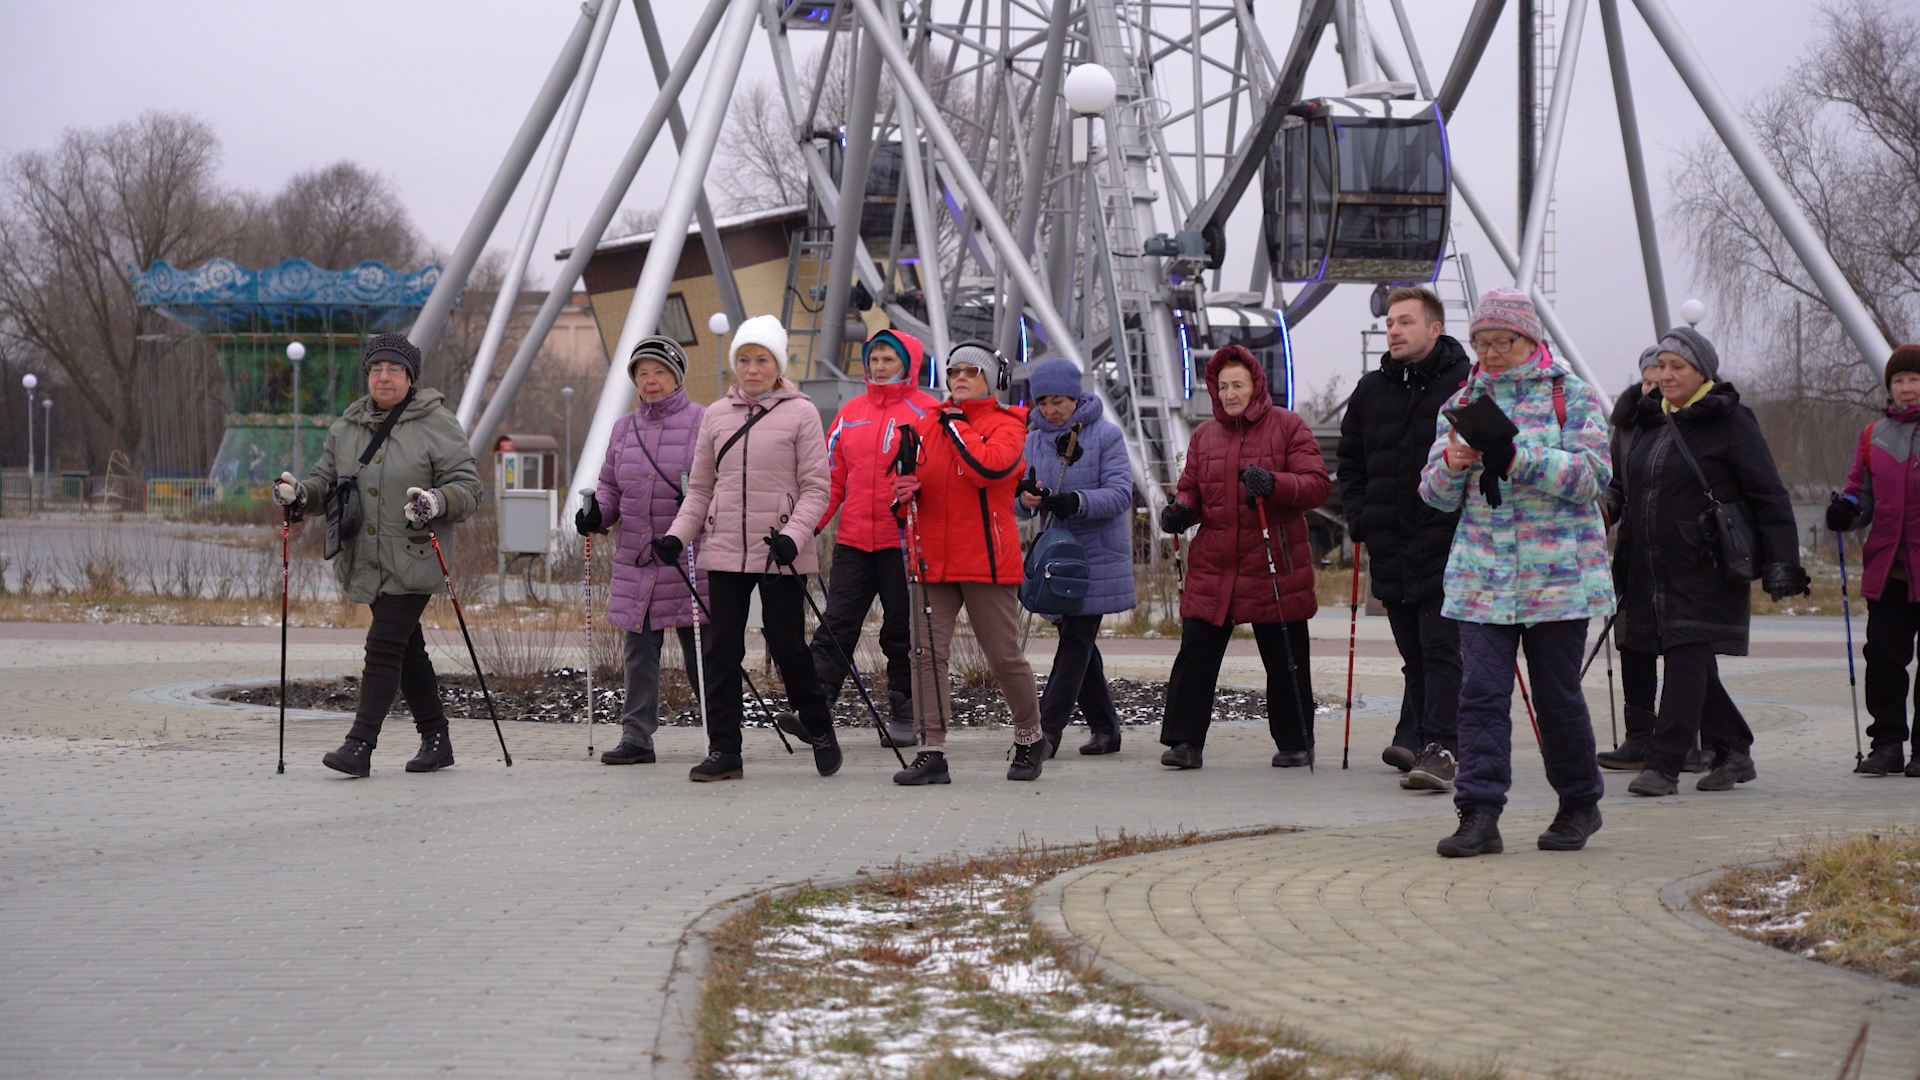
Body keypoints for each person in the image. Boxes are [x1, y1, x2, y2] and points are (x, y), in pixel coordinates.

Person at [1417, 289, 1613, 856]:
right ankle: (1478, 814)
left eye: (1502, 341)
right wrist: (1451, 466)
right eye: (1482, 342)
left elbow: (1592, 477)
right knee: (1479, 694)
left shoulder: (1570, 396)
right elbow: (1432, 496)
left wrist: (1517, 457)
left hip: (1558, 579)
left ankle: (1579, 803)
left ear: (1530, 339)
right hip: (1482, 577)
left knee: (1556, 697)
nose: (1492, 352)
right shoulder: (1462, 401)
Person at [272, 334, 482, 777]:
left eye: (394, 370)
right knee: (407, 649)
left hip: (413, 554)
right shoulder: (345, 428)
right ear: (367, 375)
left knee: (384, 645)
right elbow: (325, 483)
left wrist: (437, 502)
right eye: (376, 369)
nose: (384, 377)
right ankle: (437, 738)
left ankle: (360, 744)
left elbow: (468, 486)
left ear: (410, 378)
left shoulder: (437, 423)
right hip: (364, 557)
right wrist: (299, 495)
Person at [1611, 326, 1808, 797]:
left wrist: (1783, 560)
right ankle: (1734, 748)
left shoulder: (1732, 420)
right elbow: (1633, 492)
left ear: (1702, 373)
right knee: (1691, 662)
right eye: (1661, 366)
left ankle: (1663, 764)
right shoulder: (1652, 423)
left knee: (1684, 657)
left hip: (1706, 565)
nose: (1665, 375)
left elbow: (1769, 495)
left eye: (1677, 366)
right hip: (1652, 566)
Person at [655, 315, 840, 782]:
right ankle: (725, 751)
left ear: (777, 365)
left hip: (780, 549)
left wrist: (793, 537)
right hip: (724, 550)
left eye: (761, 360)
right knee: (721, 651)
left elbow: (817, 487)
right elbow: (699, 489)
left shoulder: (801, 413)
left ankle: (819, 726)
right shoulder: (716, 415)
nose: (751, 368)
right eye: (744, 359)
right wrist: (678, 535)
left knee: (786, 646)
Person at [1157, 344, 1329, 770]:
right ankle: (1184, 742)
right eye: (1223, 385)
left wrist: (1274, 483)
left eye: (1239, 384)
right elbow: (1193, 488)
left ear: (1256, 385)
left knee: (1285, 655)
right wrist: (1182, 508)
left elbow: (1315, 484)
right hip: (1215, 563)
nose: (1231, 393)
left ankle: (1296, 741)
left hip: (1273, 560)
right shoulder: (1204, 436)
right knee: (1196, 651)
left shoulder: (1288, 426)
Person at [1336, 285, 1472, 791]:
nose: (1394, 330)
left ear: (1435, 328)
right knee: (1414, 653)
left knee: (1441, 649)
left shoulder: (1465, 384)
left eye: (1406, 321)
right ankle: (1417, 735)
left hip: (1448, 542)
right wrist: (1360, 517)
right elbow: (1350, 462)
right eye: (1390, 322)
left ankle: (1443, 748)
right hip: (1389, 543)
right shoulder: (1371, 390)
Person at [888, 341, 1043, 785]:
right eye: (954, 371)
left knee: (1003, 656)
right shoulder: (926, 424)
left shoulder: (1009, 424)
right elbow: (905, 491)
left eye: (971, 373)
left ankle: (1031, 736)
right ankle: (931, 750)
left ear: (993, 381)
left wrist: (957, 426)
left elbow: (989, 469)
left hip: (987, 561)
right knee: (925, 655)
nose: (959, 378)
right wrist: (900, 496)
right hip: (931, 558)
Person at [574, 336, 707, 766]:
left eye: (660, 372)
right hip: (639, 560)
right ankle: (637, 737)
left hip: (687, 558)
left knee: (701, 653)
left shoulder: (703, 423)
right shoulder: (623, 429)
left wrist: (685, 530)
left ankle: (722, 731)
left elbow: (714, 490)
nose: (651, 381)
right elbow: (611, 486)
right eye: (643, 373)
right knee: (639, 653)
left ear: (677, 377)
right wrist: (598, 515)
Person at [811, 329, 939, 748]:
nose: (880, 367)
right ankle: (814, 709)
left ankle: (906, 712)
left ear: (908, 364)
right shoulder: (851, 412)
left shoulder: (928, 411)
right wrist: (807, 525)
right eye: (875, 360)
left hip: (904, 541)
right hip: (853, 541)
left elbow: (939, 479)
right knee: (836, 624)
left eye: (889, 359)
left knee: (902, 631)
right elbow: (832, 479)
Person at [1016, 357, 1136, 759]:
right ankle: (1106, 729)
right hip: (1056, 557)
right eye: (1044, 402)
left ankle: (1046, 731)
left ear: (1075, 396)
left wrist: (1077, 501)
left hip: (1097, 556)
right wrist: (1026, 498)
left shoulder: (1106, 435)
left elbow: (1121, 493)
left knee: (1075, 641)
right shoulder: (1033, 439)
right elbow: (1017, 501)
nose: (1051, 410)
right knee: (1080, 644)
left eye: (1059, 401)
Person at [1598, 350, 1712, 774]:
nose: (1653, 385)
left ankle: (1689, 739)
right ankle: (1640, 737)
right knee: (1633, 640)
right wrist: (1602, 512)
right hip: (1635, 551)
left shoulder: (1693, 423)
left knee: (1686, 647)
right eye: (1647, 379)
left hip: (1685, 551)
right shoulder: (1627, 427)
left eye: (1660, 377)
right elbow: (1615, 486)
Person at [1828, 345, 1920, 776]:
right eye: (1899, 381)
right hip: (1890, 571)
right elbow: (1859, 495)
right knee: (1883, 659)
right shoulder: (1872, 436)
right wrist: (1846, 511)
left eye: (1914, 380)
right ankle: (1886, 745)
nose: (1907, 388)